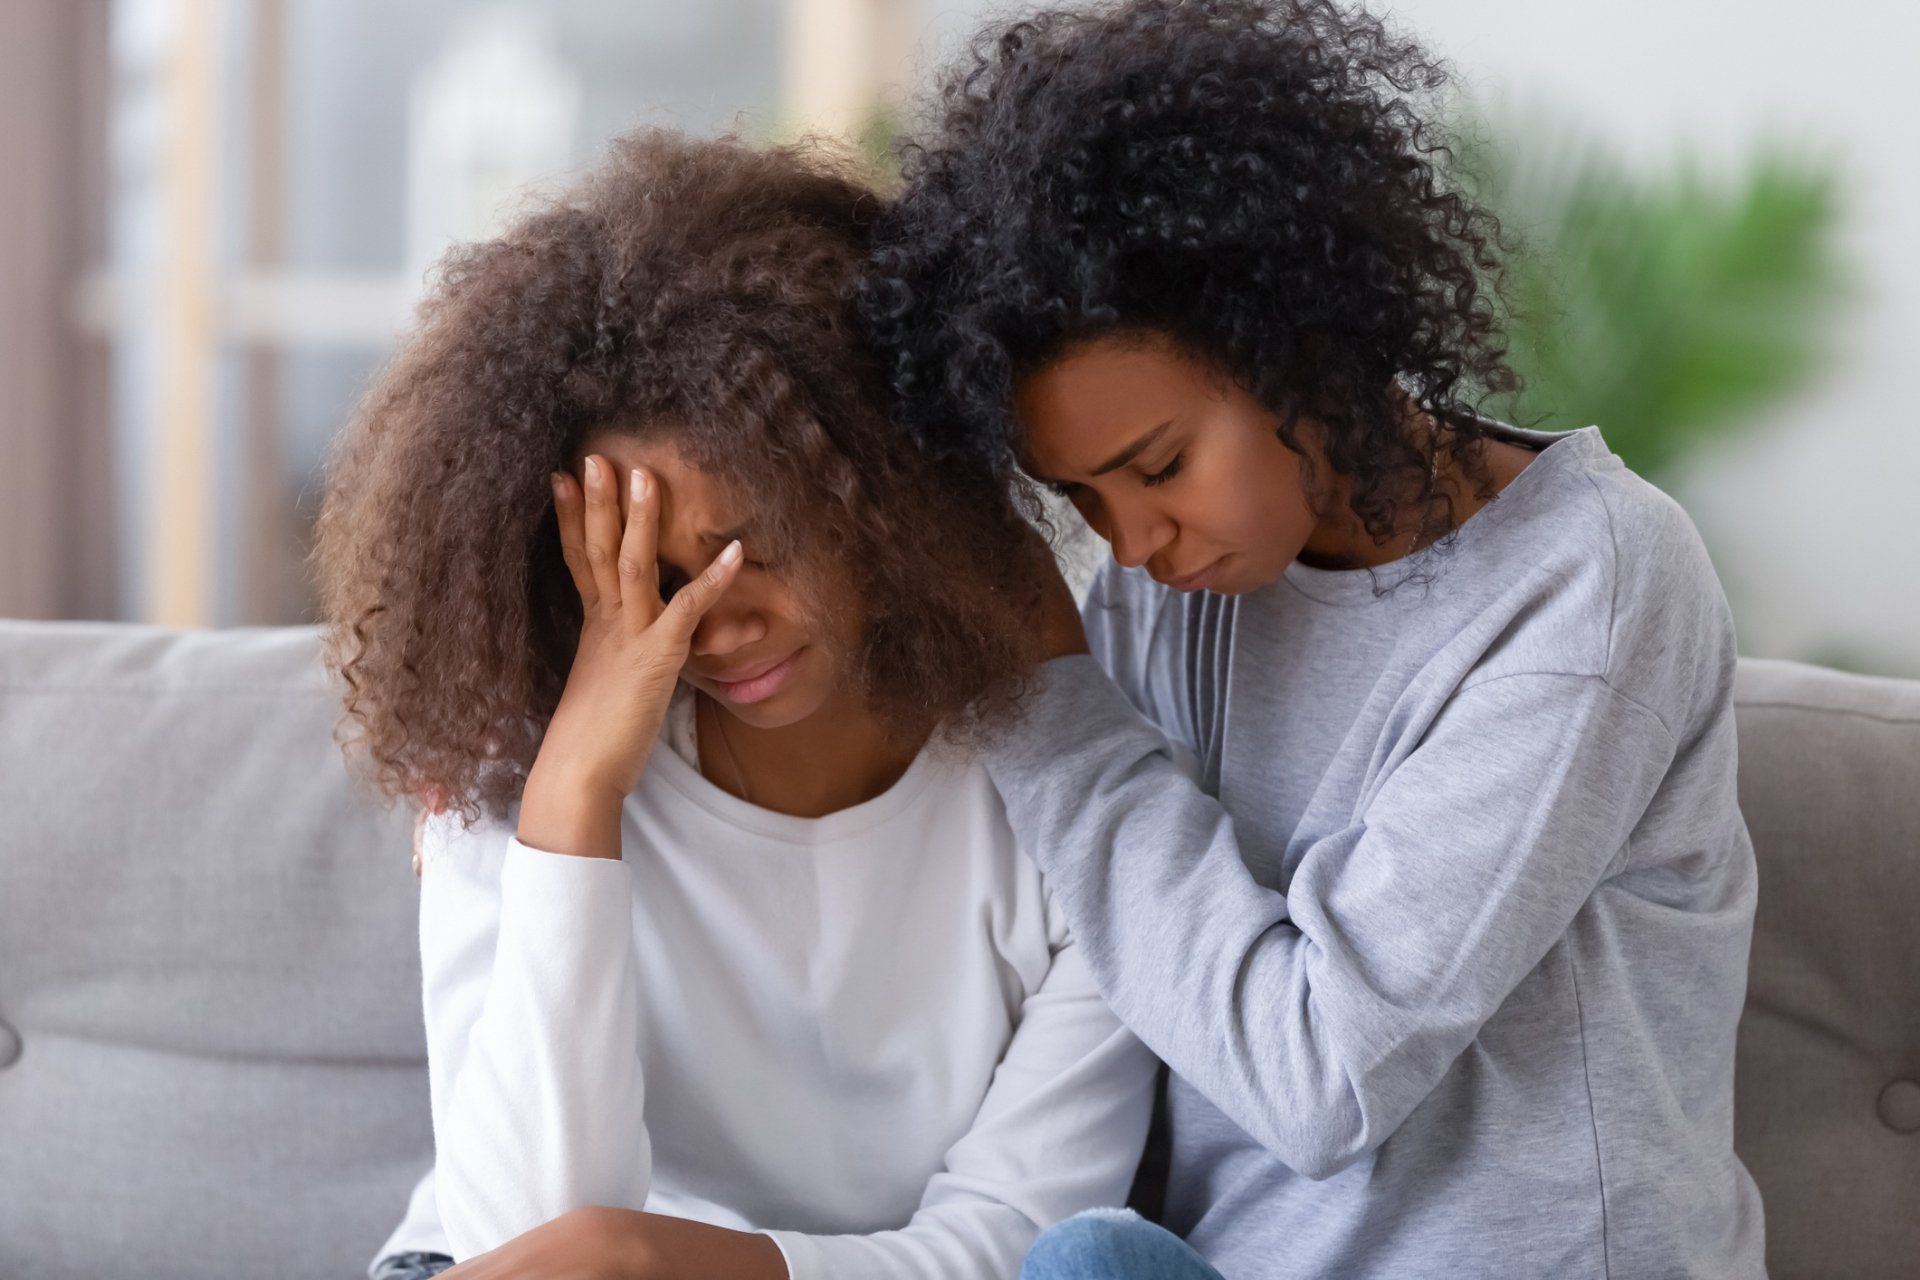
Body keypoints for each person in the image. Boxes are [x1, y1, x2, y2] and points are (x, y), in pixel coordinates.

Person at [860, 1, 1767, 1275]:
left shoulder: (1589, 584)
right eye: (1080, 499)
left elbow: (1321, 1076)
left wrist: (1050, 706)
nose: (1128, 545)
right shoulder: (1168, 592)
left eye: (1159, 465)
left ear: (1297, 344)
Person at [310, 127, 1156, 1280]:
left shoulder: (1066, 793)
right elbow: (529, 1245)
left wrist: (656, 1256)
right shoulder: (522, 762)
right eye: (649, 580)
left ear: (884, 490)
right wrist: (573, 798)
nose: (717, 622)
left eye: (755, 545)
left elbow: (1021, 1239)